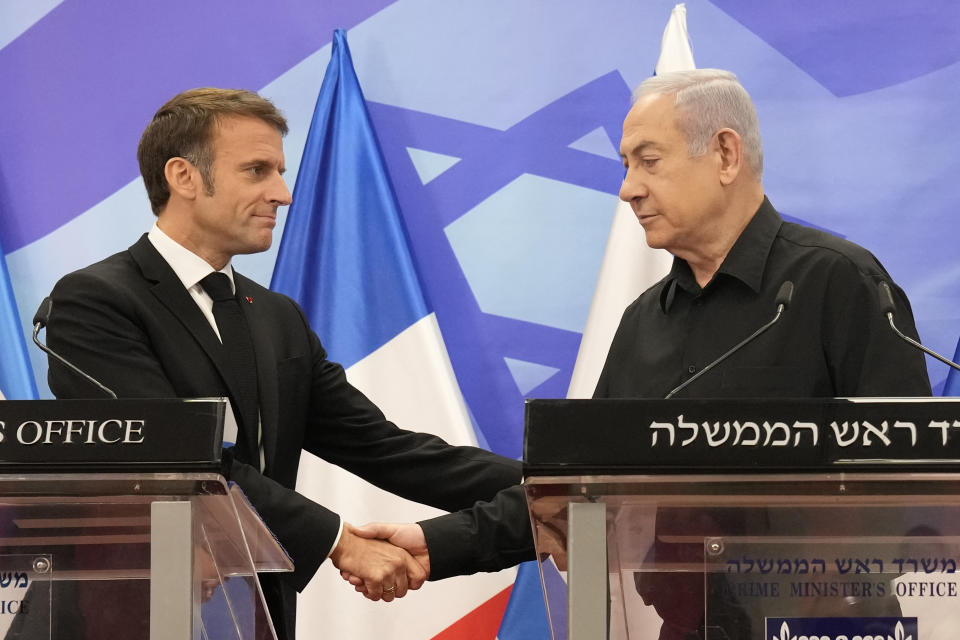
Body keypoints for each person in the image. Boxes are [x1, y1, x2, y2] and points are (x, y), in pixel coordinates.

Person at [349, 69, 932, 635]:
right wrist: (439, 543)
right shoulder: (643, 321)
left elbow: (912, 482)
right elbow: (579, 493)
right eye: (626, 166)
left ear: (726, 154)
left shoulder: (836, 282)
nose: (628, 188)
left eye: (648, 161)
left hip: (825, 623)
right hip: (683, 626)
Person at [43, 88, 522, 640]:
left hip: (258, 613)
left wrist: (556, 489)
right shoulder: (96, 300)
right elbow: (177, 457)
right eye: (257, 171)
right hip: (136, 609)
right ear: (184, 177)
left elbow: (386, 449)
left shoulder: (275, 315)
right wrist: (340, 540)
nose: (284, 193)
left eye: (280, 171)